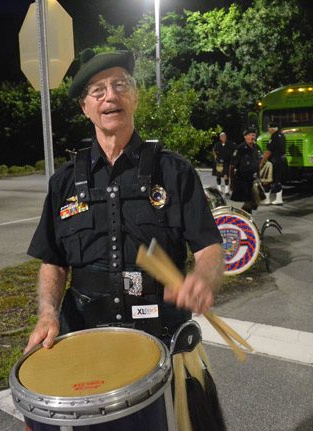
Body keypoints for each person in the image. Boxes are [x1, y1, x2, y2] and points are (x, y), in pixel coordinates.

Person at [25, 50, 224, 356]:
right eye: (98, 91)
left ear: (135, 96)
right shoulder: (63, 182)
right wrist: (48, 312)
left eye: (120, 85)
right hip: (83, 336)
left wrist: (202, 279)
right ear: (85, 107)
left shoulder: (174, 172)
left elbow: (209, 247)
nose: (110, 97)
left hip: (163, 336)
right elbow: (53, 261)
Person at [229, 127, 262, 213]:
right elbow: (232, 166)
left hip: (253, 180)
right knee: (250, 202)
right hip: (243, 180)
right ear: (245, 137)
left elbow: (259, 162)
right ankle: (239, 217)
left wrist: (259, 177)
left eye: (254, 135)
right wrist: (232, 181)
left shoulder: (257, 148)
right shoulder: (240, 149)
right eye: (250, 135)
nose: (252, 137)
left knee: (255, 203)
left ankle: (243, 218)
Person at [260, 123, 287, 205]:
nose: (268, 129)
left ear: (273, 128)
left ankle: (267, 199)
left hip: (274, 161)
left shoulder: (274, 136)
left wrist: (262, 162)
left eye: (269, 128)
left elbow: (268, 151)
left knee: (267, 180)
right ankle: (279, 199)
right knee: (277, 180)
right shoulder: (281, 135)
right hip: (281, 160)